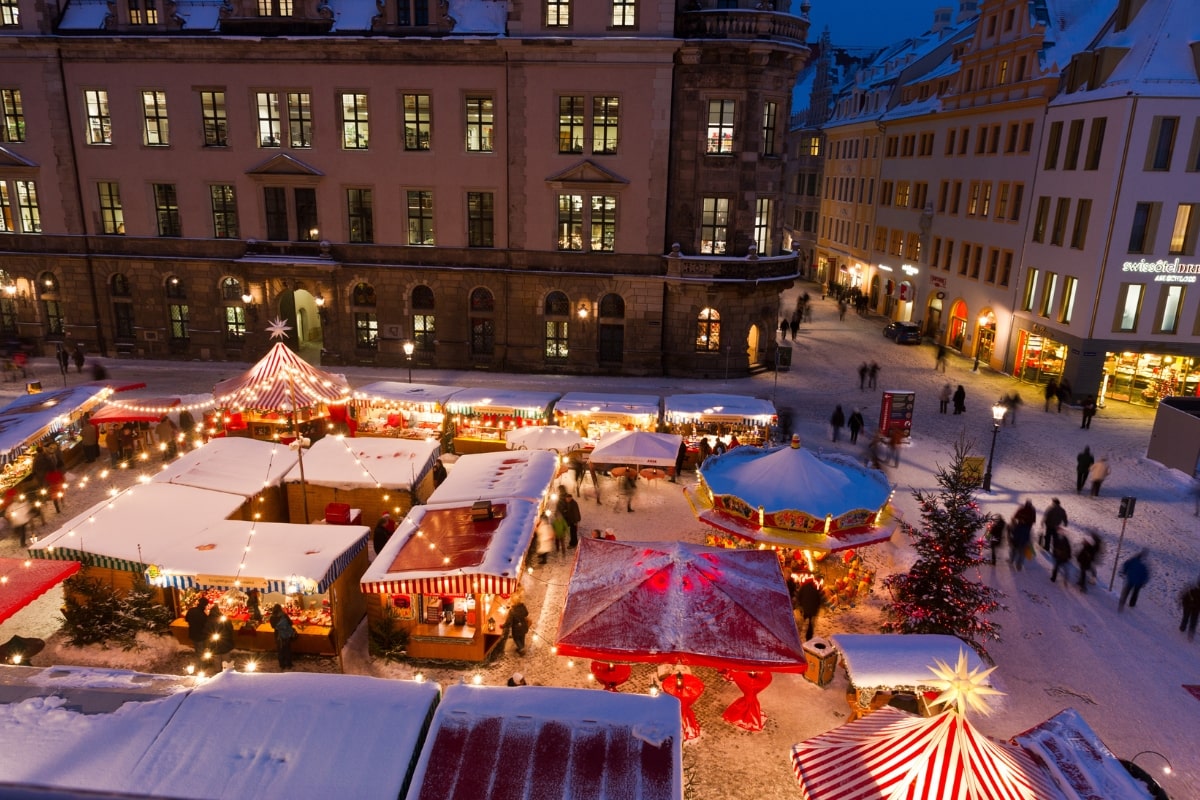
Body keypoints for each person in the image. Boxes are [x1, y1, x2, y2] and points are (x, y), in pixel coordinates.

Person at [1008, 501, 1035, 571]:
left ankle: (1011, 560)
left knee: (1014, 550)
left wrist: (1011, 538)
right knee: (1021, 553)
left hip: (1017, 539)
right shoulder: (1032, 511)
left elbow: (1013, 532)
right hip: (1024, 539)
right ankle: (1019, 565)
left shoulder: (1022, 510)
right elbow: (1033, 520)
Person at [269, 603, 296, 669]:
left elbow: (273, 626)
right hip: (286, 634)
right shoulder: (284, 615)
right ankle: (289, 664)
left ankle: (282, 664)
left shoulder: (272, 617)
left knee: (280, 649)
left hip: (278, 635)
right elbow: (291, 623)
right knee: (287, 649)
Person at [1178, 576, 1200, 641]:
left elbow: (1183, 594)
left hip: (1190, 605)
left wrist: (1180, 601)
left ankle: (1183, 628)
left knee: (1187, 617)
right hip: (1191, 605)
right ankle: (1189, 631)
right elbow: (1183, 594)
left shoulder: (1191, 587)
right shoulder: (1192, 587)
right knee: (1192, 619)